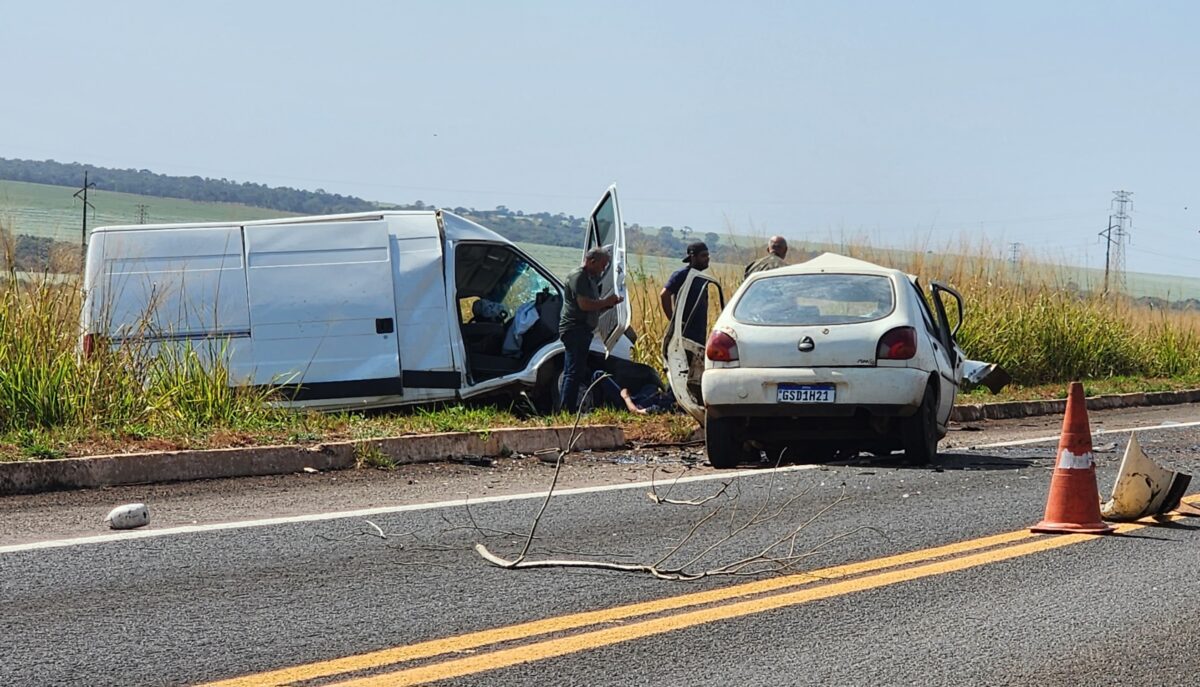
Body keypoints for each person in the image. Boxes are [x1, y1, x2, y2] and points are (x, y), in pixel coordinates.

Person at [558, 247, 623, 413]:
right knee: (573, 372)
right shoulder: (578, 276)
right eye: (602, 265)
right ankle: (567, 410)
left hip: (583, 330)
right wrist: (606, 301)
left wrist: (609, 304)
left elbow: (593, 307)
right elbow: (584, 304)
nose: (603, 269)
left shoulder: (591, 279)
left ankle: (567, 408)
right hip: (575, 329)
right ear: (591, 261)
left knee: (575, 371)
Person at [660, 241, 710, 344]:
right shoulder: (681, 275)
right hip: (683, 333)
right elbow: (664, 295)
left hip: (699, 334)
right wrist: (674, 321)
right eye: (703, 255)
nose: (707, 258)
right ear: (693, 257)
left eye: (708, 255)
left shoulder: (702, 277)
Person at [590, 370, 677, 415]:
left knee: (599, 375)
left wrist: (626, 397)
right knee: (650, 386)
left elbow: (635, 411)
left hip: (627, 404)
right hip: (637, 397)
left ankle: (596, 408)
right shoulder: (662, 395)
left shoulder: (662, 407)